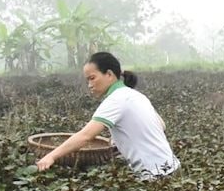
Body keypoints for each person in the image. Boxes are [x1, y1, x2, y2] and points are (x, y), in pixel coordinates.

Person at [35, 52, 180, 178]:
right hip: (173, 168)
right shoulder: (135, 95)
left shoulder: (115, 100)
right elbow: (161, 125)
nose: (89, 85)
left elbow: (85, 136)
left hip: (155, 175)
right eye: (87, 80)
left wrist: (51, 156)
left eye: (92, 78)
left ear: (109, 74)